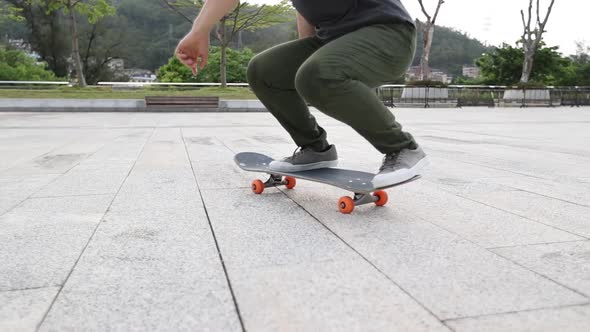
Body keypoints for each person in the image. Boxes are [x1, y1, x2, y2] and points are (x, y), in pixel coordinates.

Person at [176, 0, 428, 187]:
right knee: (264, 70)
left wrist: (315, 75)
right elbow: (304, 11)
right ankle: (315, 149)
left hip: (388, 34)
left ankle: (403, 148)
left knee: (316, 74)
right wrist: (199, 31)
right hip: (331, 39)